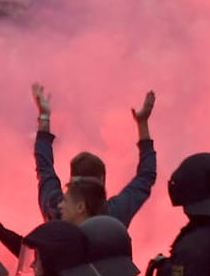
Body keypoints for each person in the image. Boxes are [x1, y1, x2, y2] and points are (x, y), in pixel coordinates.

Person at [31, 84, 156, 225]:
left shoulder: (56, 209)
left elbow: (44, 167)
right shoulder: (114, 215)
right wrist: (142, 123)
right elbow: (146, 175)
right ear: (102, 179)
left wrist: (44, 116)